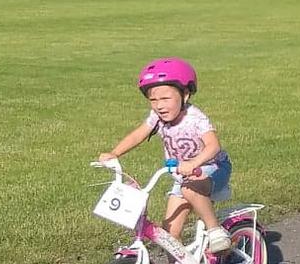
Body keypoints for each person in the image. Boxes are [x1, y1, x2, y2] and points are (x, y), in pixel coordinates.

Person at [98, 58, 233, 252]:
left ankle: (215, 231)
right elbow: (139, 134)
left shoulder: (195, 118)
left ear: (185, 95)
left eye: (165, 99)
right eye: (153, 100)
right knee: (169, 234)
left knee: (190, 189)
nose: (159, 105)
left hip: (213, 168)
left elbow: (213, 146)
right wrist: (114, 153)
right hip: (184, 176)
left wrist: (193, 163)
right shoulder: (157, 118)